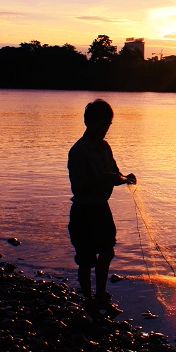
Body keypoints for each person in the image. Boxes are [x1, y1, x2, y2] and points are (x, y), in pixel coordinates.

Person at [67, 99, 136, 314]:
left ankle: (100, 297)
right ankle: (88, 301)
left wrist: (126, 178)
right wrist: (103, 178)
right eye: (103, 123)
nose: (106, 128)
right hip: (84, 211)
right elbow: (79, 187)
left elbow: (116, 173)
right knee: (86, 259)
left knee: (106, 252)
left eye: (109, 124)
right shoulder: (78, 151)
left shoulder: (105, 147)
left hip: (101, 210)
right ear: (90, 122)